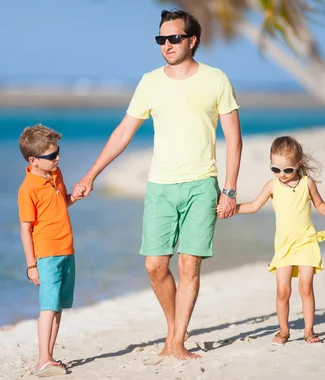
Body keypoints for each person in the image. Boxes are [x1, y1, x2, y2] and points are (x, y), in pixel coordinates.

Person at [73, 9, 242, 360]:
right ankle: (173, 328)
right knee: (154, 265)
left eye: (174, 38)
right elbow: (123, 132)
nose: (166, 44)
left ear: (192, 41)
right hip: (160, 186)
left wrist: (229, 190)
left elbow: (234, 139)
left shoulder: (216, 79)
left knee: (189, 265)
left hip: (201, 184)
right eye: (161, 39)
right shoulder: (150, 82)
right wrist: (91, 174)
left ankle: (177, 341)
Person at [224, 136, 325, 345]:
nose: (281, 175)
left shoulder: (307, 183)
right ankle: (284, 331)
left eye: (288, 170)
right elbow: (253, 205)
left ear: (299, 165)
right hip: (284, 246)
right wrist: (233, 209)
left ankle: (309, 331)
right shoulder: (272, 186)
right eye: (275, 170)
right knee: (283, 290)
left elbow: (320, 204)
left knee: (306, 287)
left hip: (306, 242)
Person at [18, 124, 82, 376]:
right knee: (47, 305)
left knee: (58, 307)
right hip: (46, 253)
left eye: (58, 152)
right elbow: (25, 230)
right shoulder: (27, 189)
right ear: (33, 160)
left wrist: (75, 196)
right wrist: (32, 265)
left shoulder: (56, 174)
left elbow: (61, 204)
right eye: (52, 156)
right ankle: (42, 358)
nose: (58, 158)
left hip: (67, 249)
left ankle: (50, 357)